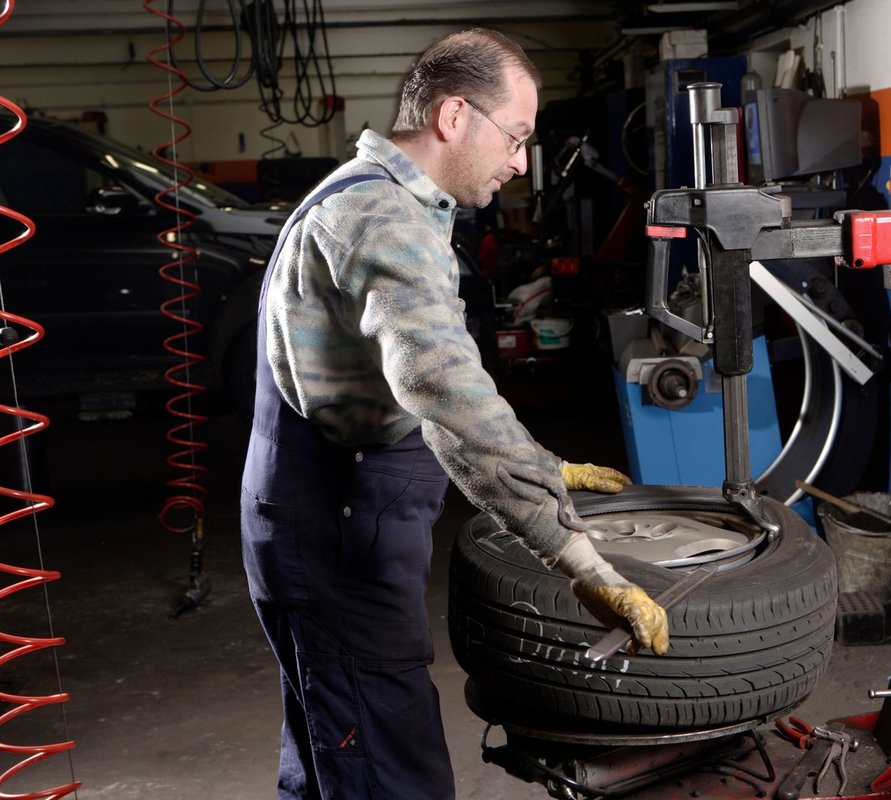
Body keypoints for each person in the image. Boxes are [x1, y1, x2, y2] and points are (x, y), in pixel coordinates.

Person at [240, 28, 669, 800]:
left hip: (333, 518)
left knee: (334, 756)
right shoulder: (382, 218)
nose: (519, 162)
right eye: (516, 137)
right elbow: (446, 394)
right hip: (335, 539)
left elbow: (414, 379)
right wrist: (580, 564)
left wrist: (539, 467)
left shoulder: (383, 195)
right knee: (384, 771)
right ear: (453, 117)